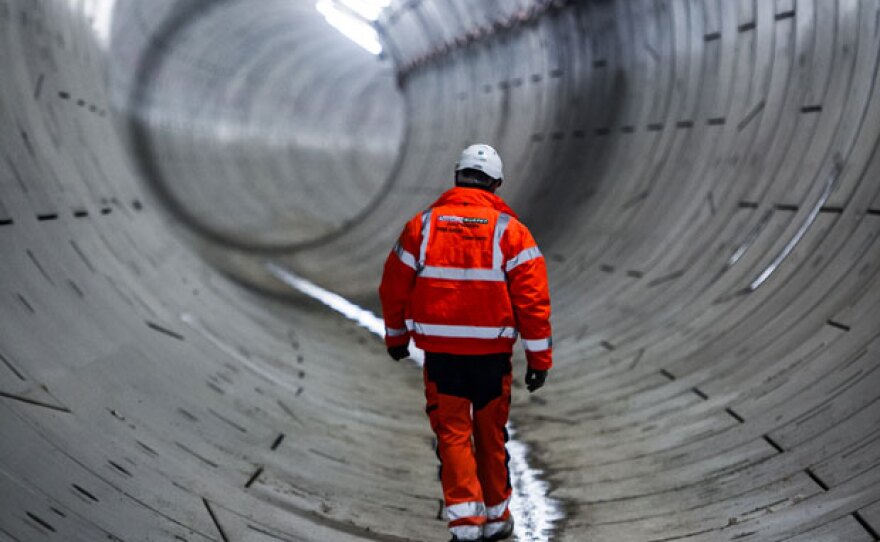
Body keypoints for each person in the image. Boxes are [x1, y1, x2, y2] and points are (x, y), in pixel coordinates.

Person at [379, 144, 553, 541]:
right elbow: (533, 303)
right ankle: (496, 518)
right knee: (491, 434)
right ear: (496, 184)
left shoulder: (421, 227)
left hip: (441, 356)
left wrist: (396, 336)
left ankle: (465, 525)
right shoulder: (511, 233)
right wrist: (539, 360)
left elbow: (393, 286)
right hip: (491, 357)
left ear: (457, 178)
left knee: (453, 433)